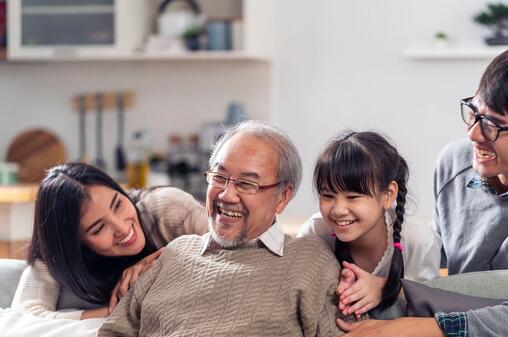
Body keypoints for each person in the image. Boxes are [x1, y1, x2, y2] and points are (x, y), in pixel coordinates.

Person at [338, 47, 508, 336]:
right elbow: (439, 267)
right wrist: (390, 288)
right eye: (474, 113)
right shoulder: (454, 163)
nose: (473, 134)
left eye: (493, 125)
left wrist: (406, 329)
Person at [98, 120, 344, 337]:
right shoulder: (173, 254)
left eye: (247, 184)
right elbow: (114, 332)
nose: (226, 195)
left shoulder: (311, 263)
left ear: (283, 197)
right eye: (219, 177)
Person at [11, 162, 208, 320]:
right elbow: (25, 315)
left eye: (118, 204)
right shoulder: (55, 257)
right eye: (98, 228)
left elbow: (233, 248)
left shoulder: (165, 207)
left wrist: (159, 263)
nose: (122, 228)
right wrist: (119, 311)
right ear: (75, 243)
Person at [297, 130, 440, 318]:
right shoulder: (315, 233)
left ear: (388, 195)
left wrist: (387, 289)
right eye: (328, 196)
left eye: (353, 197)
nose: (338, 209)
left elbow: (432, 311)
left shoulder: (419, 242)